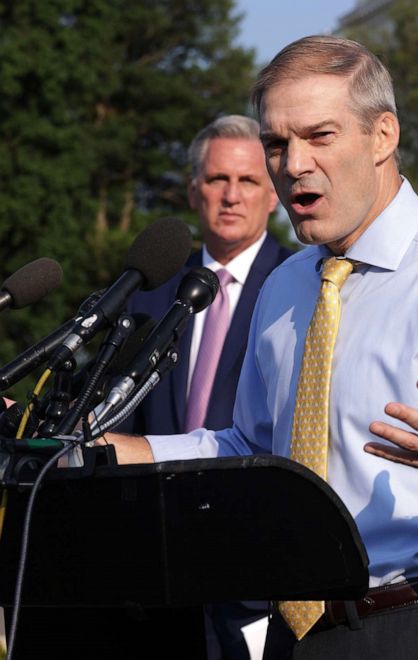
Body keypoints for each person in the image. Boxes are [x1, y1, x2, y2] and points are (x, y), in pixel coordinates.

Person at [106, 36, 418, 660]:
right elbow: (250, 450)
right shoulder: (286, 286)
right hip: (293, 636)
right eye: (277, 144)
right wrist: (120, 452)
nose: (293, 164)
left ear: (383, 135)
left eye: (319, 136)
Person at [122, 114, 295, 660]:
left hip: (258, 575)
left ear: (273, 194)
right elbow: (119, 421)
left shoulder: (302, 291)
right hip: (156, 574)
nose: (231, 195)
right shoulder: (148, 293)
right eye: (218, 179)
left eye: (248, 181)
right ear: (194, 189)